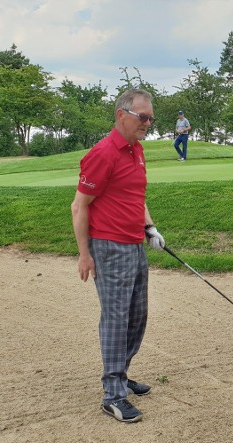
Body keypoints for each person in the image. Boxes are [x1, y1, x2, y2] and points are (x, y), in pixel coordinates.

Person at [71, 88, 166, 423]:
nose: (148, 123)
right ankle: (113, 395)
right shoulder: (103, 153)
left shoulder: (136, 151)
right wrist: (85, 255)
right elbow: (79, 206)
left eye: (151, 118)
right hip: (109, 248)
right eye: (143, 117)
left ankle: (121, 376)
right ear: (121, 114)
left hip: (134, 244)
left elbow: (135, 196)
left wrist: (150, 228)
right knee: (116, 319)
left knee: (137, 316)